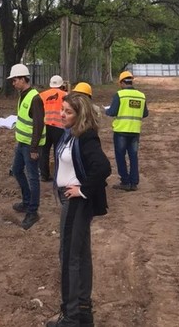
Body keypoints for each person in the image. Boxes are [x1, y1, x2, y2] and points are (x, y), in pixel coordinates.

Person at [48, 92, 111, 327]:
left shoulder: (86, 137)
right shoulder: (71, 133)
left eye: (68, 111)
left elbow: (103, 167)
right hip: (72, 203)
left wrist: (82, 189)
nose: (62, 114)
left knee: (69, 258)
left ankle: (70, 316)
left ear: (80, 114)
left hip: (76, 204)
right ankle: (83, 313)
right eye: (62, 109)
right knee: (81, 256)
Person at [8, 63, 46, 230]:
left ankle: (33, 211)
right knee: (16, 170)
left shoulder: (35, 98)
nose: (13, 83)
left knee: (32, 177)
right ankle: (26, 201)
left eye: (15, 80)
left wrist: (34, 148)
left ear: (23, 79)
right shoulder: (23, 95)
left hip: (31, 146)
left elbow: (39, 125)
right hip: (22, 143)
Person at [105, 71, 148, 192]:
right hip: (135, 130)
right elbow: (145, 113)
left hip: (121, 130)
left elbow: (112, 111)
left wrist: (106, 111)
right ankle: (134, 182)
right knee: (133, 156)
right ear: (131, 81)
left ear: (122, 82)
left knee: (120, 156)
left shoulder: (120, 95)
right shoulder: (141, 95)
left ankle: (125, 181)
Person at [39, 75, 67, 182]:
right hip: (59, 127)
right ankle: (59, 175)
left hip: (45, 126)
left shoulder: (41, 95)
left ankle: (44, 175)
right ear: (61, 84)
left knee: (44, 151)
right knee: (58, 151)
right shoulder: (65, 95)